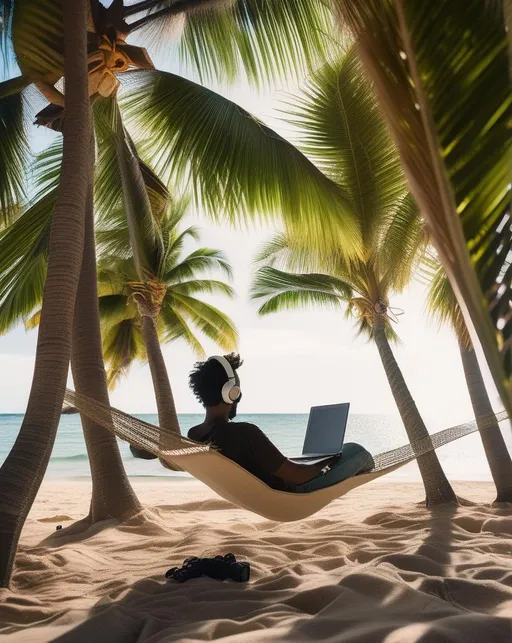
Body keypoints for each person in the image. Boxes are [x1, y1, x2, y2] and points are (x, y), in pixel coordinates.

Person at [188, 354, 374, 493]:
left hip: (261, 492)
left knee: (336, 454)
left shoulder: (194, 435)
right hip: (295, 491)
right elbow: (298, 476)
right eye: (237, 388)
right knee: (357, 451)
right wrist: (326, 462)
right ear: (231, 392)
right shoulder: (245, 433)